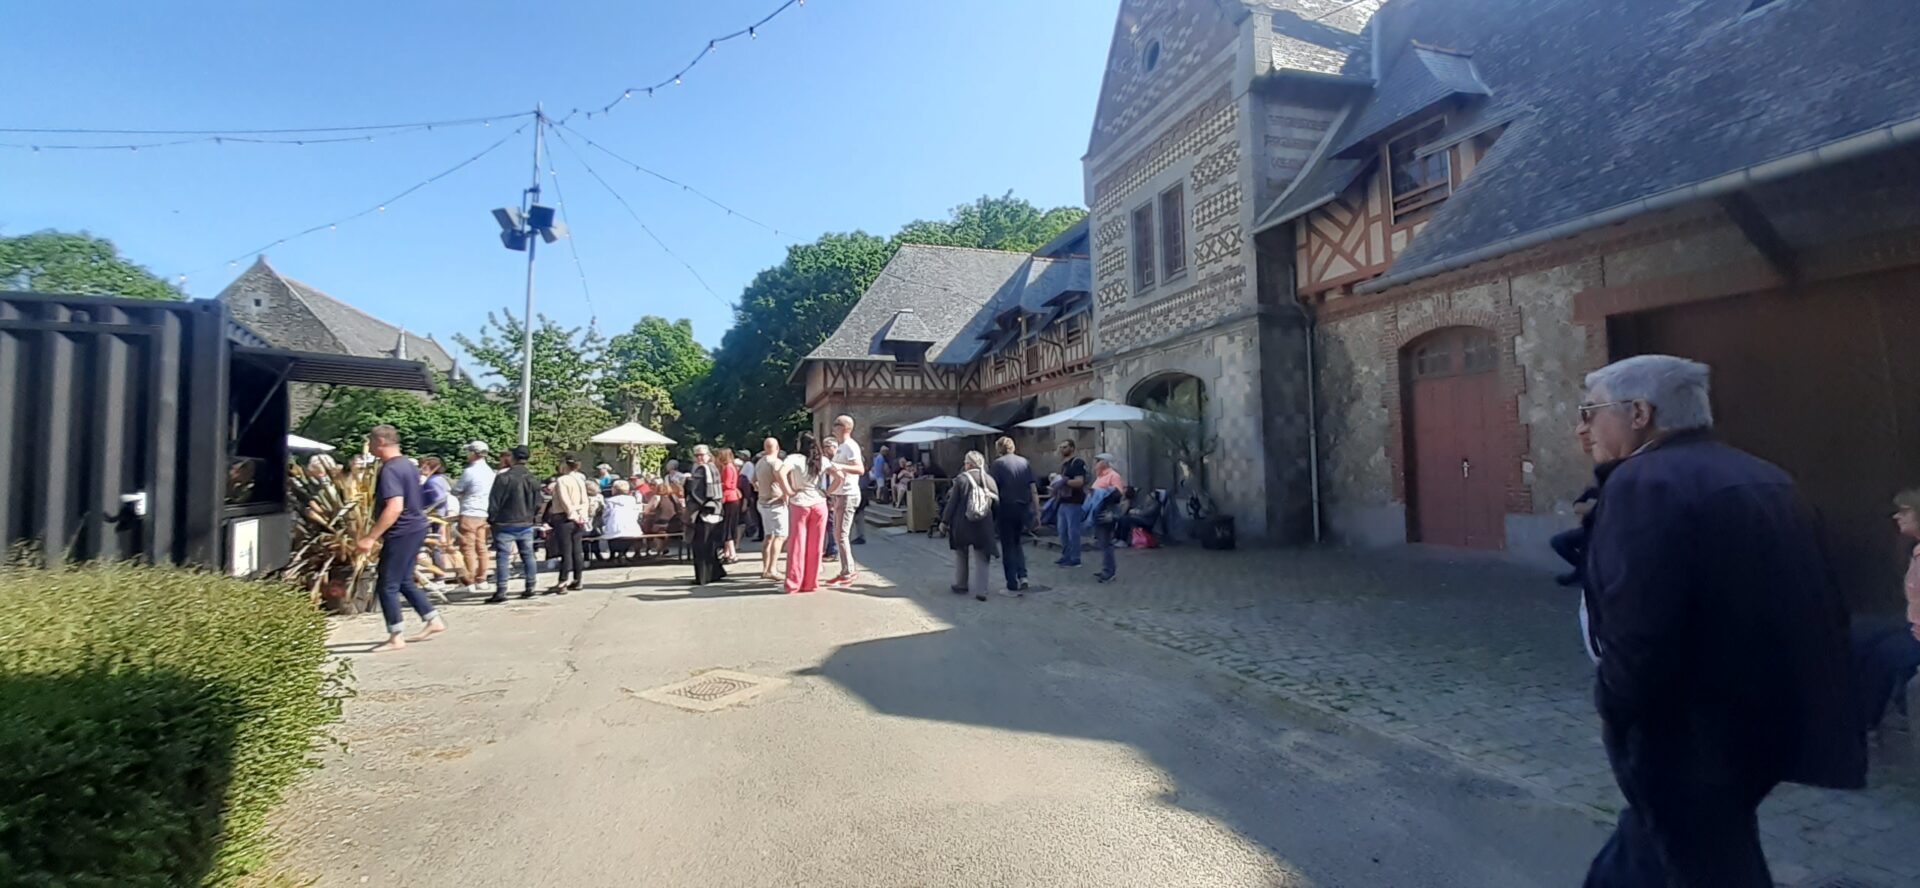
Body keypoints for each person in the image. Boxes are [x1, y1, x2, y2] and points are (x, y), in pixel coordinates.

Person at [1579, 355, 1864, 887]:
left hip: (1690, 733)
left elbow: (1641, 632)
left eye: (1591, 410)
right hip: (1761, 722)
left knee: (1703, 864)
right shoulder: (1765, 475)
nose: (1582, 426)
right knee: (1652, 857)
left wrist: (1615, 710)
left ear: (1640, 412)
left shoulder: (1644, 484)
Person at [354, 425, 446, 651]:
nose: (370, 447)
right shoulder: (408, 465)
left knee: (387, 584)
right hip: (416, 527)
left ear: (381, 443)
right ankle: (432, 619)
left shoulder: (390, 470)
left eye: (372, 442)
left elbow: (395, 506)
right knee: (404, 579)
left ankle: (396, 636)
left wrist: (370, 537)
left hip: (401, 530)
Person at [1854, 488, 1920, 733]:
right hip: (1912, 620)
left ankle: (1863, 722)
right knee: (1859, 634)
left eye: (1905, 512)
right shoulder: (1913, 550)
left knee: (1885, 655)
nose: (1896, 517)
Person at [942, 450, 1002, 601]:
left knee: (961, 554)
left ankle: (961, 584)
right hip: (984, 524)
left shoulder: (961, 480)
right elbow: (997, 504)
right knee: (982, 557)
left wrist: (944, 521)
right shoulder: (989, 480)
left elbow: (952, 503)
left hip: (962, 524)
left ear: (968, 464)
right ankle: (981, 590)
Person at [485, 445, 542, 603]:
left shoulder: (503, 477)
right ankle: (530, 587)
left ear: (513, 457)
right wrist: (532, 516)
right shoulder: (532, 478)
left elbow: (494, 502)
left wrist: (492, 519)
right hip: (526, 522)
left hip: (505, 522)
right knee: (528, 555)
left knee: (503, 556)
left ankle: (502, 591)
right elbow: (539, 502)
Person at [987, 436, 1039, 594]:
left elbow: (991, 489)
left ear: (999, 449)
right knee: (1017, 543)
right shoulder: (1024, 462)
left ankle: (1012, 582)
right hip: (1023, 508)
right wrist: (1037, 512)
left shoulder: (997, 465)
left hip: (1005, 508)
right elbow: (1033, 489)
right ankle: (1023, 576)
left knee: (1008, 545)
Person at [780, 433, 830, 594]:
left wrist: (788, 490)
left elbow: (780, 473)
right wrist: (828, 491)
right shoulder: (821, 460)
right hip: (819, 503)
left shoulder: (794, 458)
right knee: (816, 545)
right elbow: (839, 476)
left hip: (800, 502)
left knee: (797, 544)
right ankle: (811, 583)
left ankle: (793, 583)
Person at [448, 442, 496, 592]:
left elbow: (457, 490)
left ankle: (470, 581)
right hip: (484, 512)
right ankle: (482, 579)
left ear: (474, 453)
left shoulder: (469, 472)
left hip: (469, 511)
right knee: (481, 547)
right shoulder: (490, 472)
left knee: (467, 547)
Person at [545, 456, 594, 594]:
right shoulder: (580, 479)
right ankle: (578, 579)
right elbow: (585, 500)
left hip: (564, 517)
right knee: (577, 550)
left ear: (565, 465)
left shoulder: (562, 480)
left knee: (566, 550)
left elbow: (565, 499)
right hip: (579, 516)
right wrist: (582, 515)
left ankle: (563, 581)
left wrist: (571, 514)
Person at [825, 415, 865, 584]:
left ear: (844, 428)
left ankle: (849, 571)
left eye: (836, 425)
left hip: (848, 494)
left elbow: (860, 469)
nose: (833, 428)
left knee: (841, 535)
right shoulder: (842, 447)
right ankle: (845, 570)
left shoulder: (850, 446)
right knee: (838, 533)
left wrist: (839, 466)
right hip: (841, 493)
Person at [686, 444, 727, 585]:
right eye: (697, 455)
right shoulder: (714, 468)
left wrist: (687, 482)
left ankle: (703, 577)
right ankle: (715, 572)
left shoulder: (700, 470)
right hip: (715, 509)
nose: (699, 458)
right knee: (711, 544)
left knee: (701, 545)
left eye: (701, 455)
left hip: (704, 510)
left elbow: (695, 492)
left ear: (709, 455)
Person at [1086, 453, 1127, 583]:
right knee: (1102, 542)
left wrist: (1111, 513)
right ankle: (1106, 568)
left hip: (1106, 512)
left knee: (1106, 542)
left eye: (1098, 461)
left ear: (1105, 462)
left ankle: (1109, 572)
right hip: (1098, 511)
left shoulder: (1113, 476)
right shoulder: (1100, 477)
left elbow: (1117, 495)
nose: (1095, 463)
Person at [754, 437, 789, 581]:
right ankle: (773, 569)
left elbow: (753, 480)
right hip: (776, 503)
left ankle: (766, 568)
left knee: (769, 536)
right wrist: (787, 494)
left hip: (762, 502)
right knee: (780, 536)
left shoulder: (759, 462)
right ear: (777, 448)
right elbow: (782, 481)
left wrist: (761, 489)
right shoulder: (776, 463)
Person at [417, 456, 455, 587]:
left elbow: (440, 499)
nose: (420, 469)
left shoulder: (433, 481)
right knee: (437, 546)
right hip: (436, 516)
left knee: (436, 547)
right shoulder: (439, 479)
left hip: (433, 517)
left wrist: (427, 511)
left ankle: (439, 577)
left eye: (422, 465)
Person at [1054, 439, 1090, 567]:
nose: (1062, 449)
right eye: (1061, 447)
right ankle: (1066, 555)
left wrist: (1064, 481)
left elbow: (1079, 482)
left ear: (1072, 448)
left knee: (1072, 531)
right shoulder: (1064, 464)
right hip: (1063, 501)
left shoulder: (1077, 463)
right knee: (1062, 530)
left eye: (1065, 447)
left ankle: (1075, 558)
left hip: (1074, 502)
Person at [599, 479, 647, 564]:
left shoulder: (609, 501)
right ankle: (623, 554)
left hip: (614, 526)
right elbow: (636, 512)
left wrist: (606, 522)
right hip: (630, 526)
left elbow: (606, 515)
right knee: (630, 534)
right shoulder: (632, 500)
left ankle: (614, 555)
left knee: (610, 533)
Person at [644, 481, 686, 557]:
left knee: (647, 526)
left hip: (661, 525)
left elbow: (646, 510)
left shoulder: (657, 497)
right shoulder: (674, 498)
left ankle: (656, 549)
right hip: (675, 525)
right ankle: (662, 548)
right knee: (660, 529)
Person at [717, 447, 743, 564]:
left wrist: (717, 484)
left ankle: (732, 553)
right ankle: (727, 552)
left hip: (728, 498)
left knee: (727, 527)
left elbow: (727, 484)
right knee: (730, 526)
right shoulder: (732, 467)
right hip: (733, 497)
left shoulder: (727, 468)